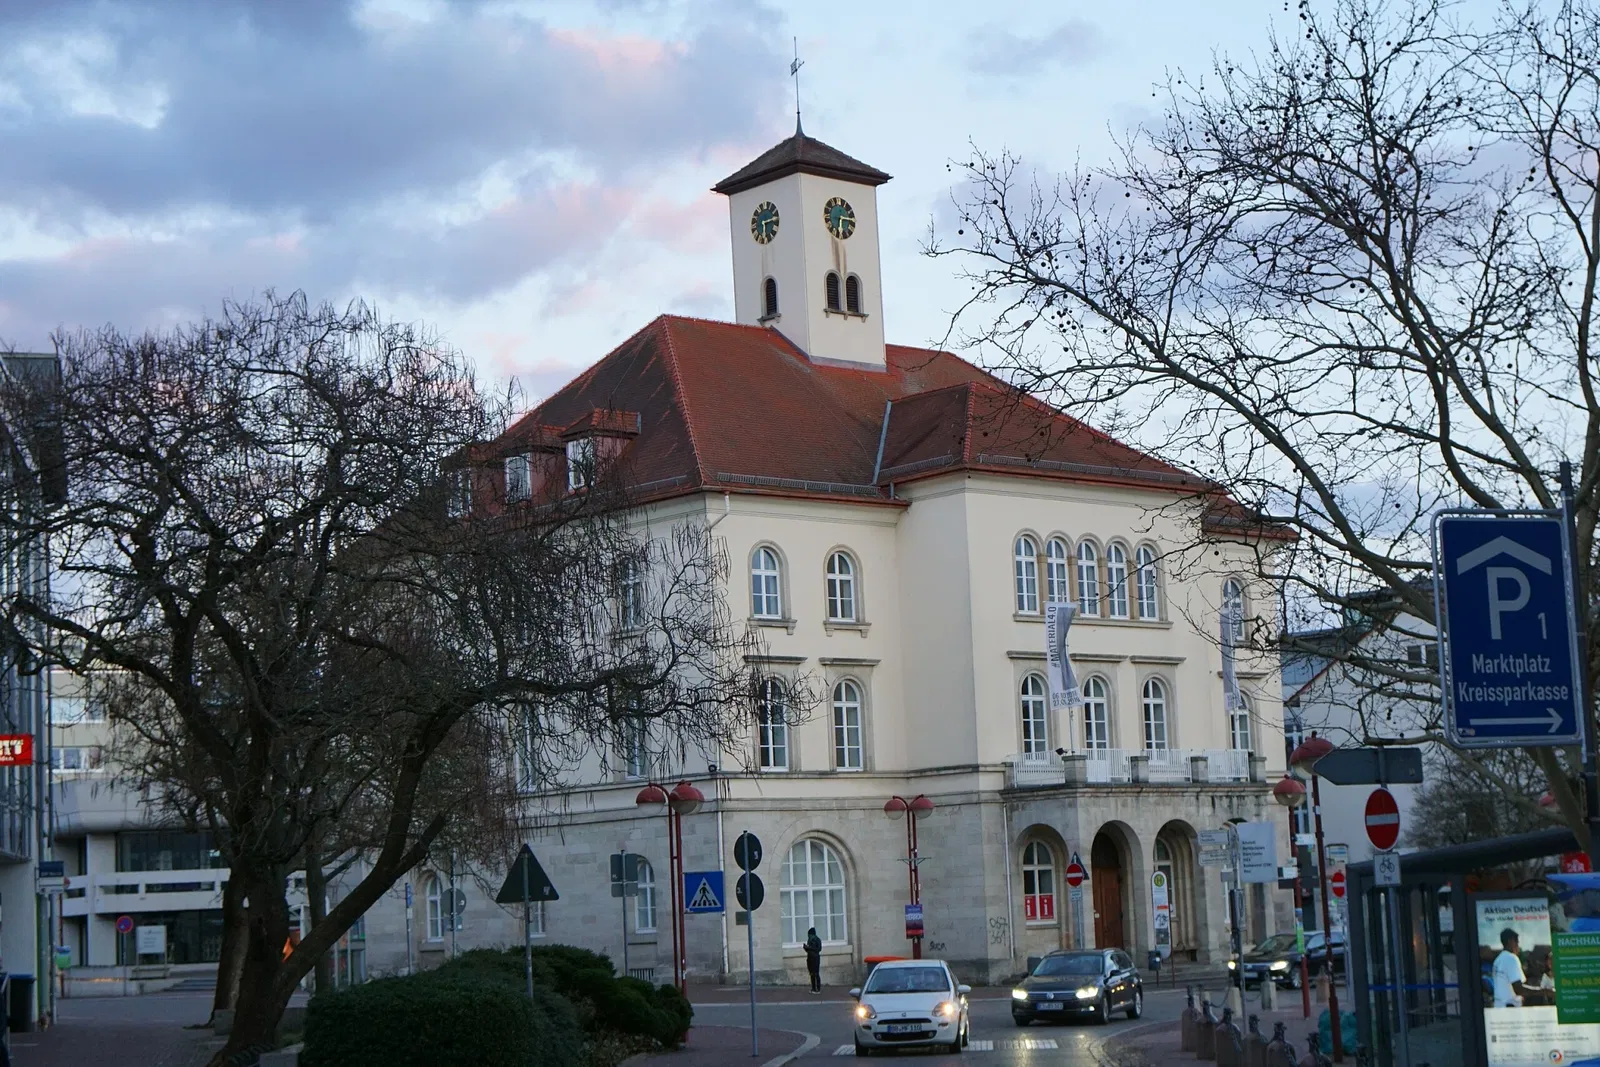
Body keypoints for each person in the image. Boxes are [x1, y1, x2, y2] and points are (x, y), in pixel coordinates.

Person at [1492, 929, 1528, 1008]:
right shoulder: (1511, 958)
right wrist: (1544, 991)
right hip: (1510, 1010)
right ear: (1510, 941)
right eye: (1517, 942)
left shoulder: (1498, 960)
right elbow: (1519, 989)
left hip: (1498, 1007)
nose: (1518, 946)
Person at [804, 927, 823, 994]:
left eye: (809, 934)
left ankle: (818, 989)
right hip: (810, 958)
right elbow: (808, 950)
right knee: (811, 974)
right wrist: (805, 948)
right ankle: (813, 988)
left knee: (816, 974)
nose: (809, 936)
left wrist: (809, 948)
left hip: (815, 958)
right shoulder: (809, 940)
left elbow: (819, 949)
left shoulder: (817, 940)